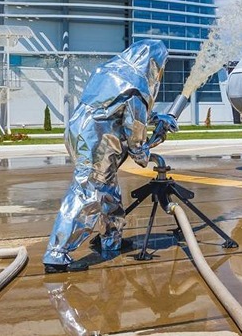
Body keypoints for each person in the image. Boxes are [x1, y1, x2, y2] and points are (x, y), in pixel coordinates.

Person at [44, 40, 178, 273]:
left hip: (81, 132)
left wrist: (158, 118)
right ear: (154, 65)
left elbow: (117, 108)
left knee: (109, 191)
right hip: (98, 142)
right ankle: (57, 254)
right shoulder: (137, 85)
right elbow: (136, 138)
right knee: (88, 193)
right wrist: (153, 142)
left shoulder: (111, 71)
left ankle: (111, 239)